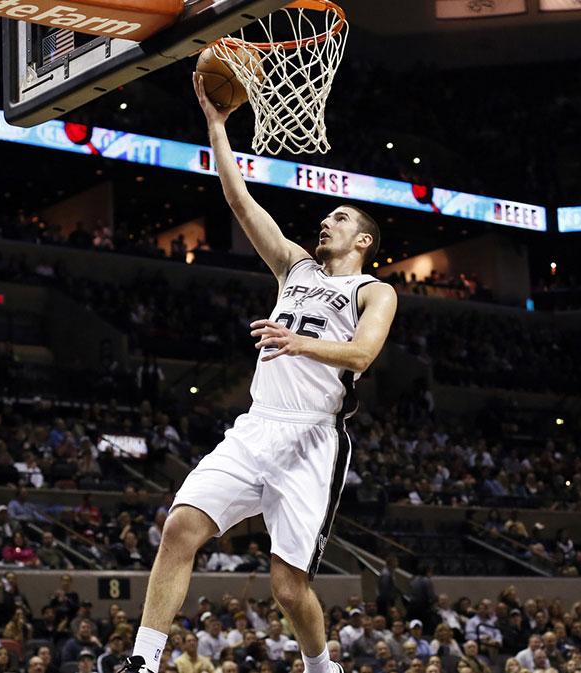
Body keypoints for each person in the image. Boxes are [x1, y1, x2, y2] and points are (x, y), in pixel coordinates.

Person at [121, 74, 396, 673]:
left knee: (288, 590)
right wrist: (218, 127)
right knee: (179, 529)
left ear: (364, 239)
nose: (327, 223)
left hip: (312, 437)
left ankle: (323, 668)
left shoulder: (374, 290)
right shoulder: (293, 267)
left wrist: (297, 342)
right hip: (256, 426)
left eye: (341, 218)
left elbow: (364, 356)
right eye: (325, 217)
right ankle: (143, 661)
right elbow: (240, 200)